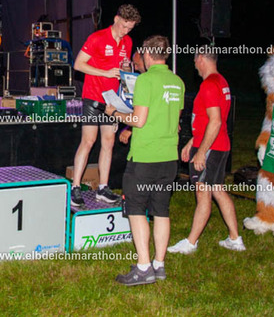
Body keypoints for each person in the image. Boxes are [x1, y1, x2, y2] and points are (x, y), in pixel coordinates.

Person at [105, 35, 184, 286]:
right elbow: (175, 122)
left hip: (145, 157)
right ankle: (159, 265)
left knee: (136, 209)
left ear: (148, 54)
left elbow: (138, 120)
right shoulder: (177, 82)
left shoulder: (145, 80)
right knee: (161, 210)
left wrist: (115, 112)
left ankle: (143, 267)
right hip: (169, 157)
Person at [168, 47, 245, 254]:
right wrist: (192, 143)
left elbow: (216, 121)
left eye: (195, 60)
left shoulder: (209, 85)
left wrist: (201, 151)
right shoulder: (221, 82)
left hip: (211, 148)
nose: (194, 65)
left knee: (203, 193)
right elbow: (208, 120)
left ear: (201, 58)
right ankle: (235, 238)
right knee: (217, 190)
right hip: (219, 145)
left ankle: (191, 243)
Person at [71, 4, 141, 206]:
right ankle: (75, 187)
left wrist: (126, 72)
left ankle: (103, 188)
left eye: (130, 28)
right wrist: (105, 73)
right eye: (124, 26)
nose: (125, 31)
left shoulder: (128, 42)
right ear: (116, 19)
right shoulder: (97, 38)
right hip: (93, 97)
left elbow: (123, 66)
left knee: (108, 143)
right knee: (88, 141)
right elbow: (78, 64)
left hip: (113, 100)